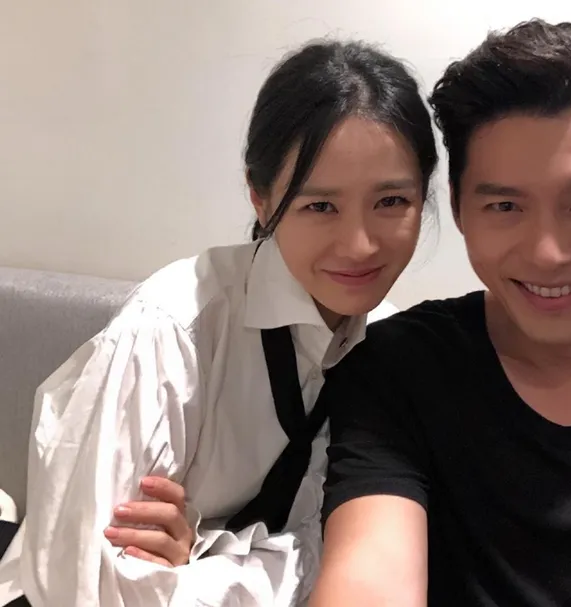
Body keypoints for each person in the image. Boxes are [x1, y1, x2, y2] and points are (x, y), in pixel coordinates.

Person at [0, 38, 438, 606]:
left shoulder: (394, 350)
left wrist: (203, 556)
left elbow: (360, 553)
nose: (359, 245)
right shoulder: (175, 327)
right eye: (319, 206)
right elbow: (90, 579)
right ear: (261, 198)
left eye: (391, 202)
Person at [309, 18, 571, 607]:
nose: (548, 253)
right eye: (505, 206)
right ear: (460, 211)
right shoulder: (400, 369)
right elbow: (370, 570)